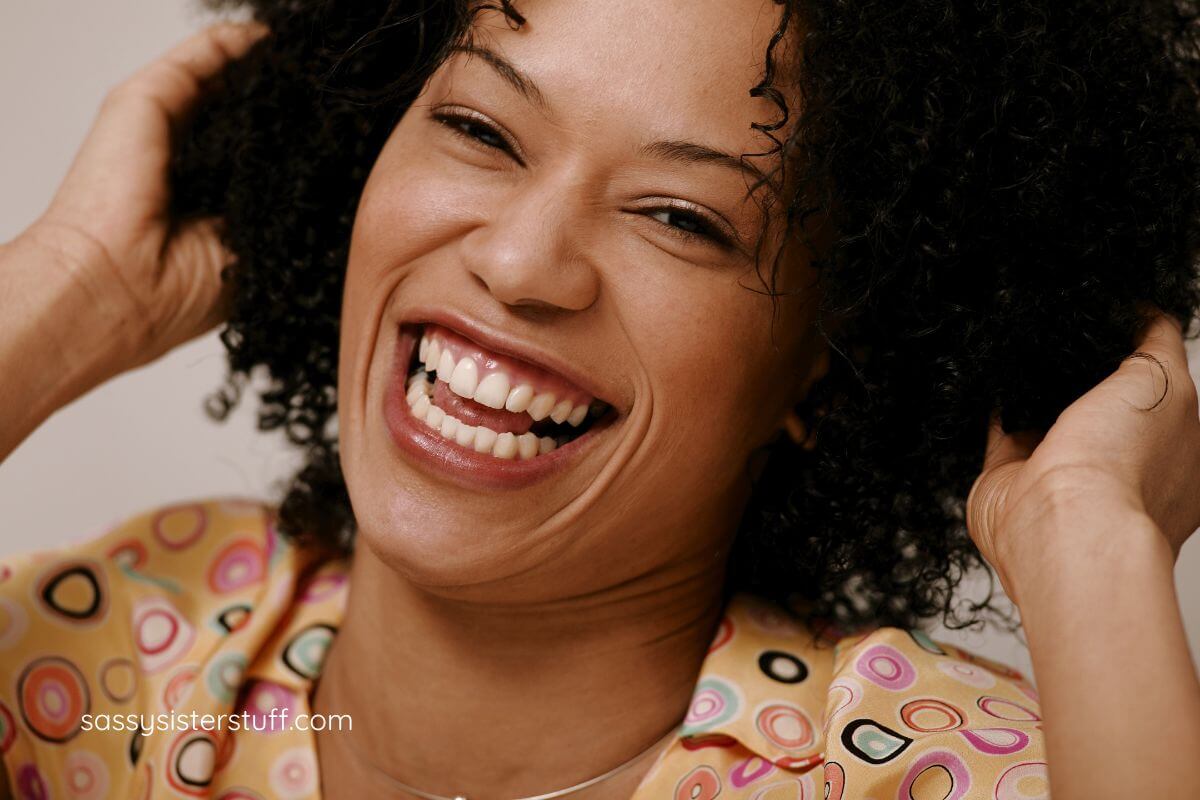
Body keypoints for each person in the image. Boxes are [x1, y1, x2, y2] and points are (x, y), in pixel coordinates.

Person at [2, 0, 1199, 797]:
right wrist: (68, 293)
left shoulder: (930, 768)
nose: (522, 265)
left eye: (683, 218)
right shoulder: (95, 662)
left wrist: (1091, 539)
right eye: (478, 127)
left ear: (837, 357)